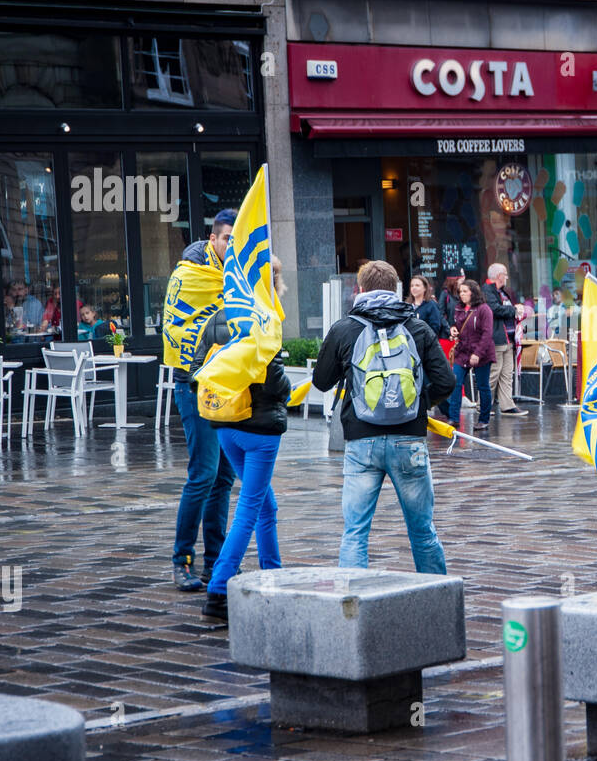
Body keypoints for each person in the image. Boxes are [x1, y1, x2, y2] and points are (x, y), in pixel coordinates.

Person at [312, 259, 455, 573]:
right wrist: (419, 404)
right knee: (422, 530)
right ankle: (437, 599)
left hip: (361, 443)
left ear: (360, 290)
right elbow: (446, 381)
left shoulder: (345, 329)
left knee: (355, 533)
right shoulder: (417, 327)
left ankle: (353, 609)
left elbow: (321, 381)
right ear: (398, 290)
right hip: (409, 441)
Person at [193, 260, 291, 622]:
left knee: (265, 506)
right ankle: (218, 589)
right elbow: (273, 379)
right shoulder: (263, 318)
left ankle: (274, 573)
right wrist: (287, 389)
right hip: (259, 429)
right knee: (249, 507)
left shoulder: (218, 315)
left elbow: (197, 369)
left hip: (224, 424)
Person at [166, 209, 237, 592]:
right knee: (204, 473)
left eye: (238, 241)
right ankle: (181, 560)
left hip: (228, 382)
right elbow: (185, 324)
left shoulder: (237, 277)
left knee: (224, 476)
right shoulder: (190, 274)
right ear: (213, 239)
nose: (232, 246)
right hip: (193, 383)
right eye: (228, 239)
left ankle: (216, 561)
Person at [446, 279, 494, 429]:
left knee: (483, 386)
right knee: (455, 382)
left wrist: (478, 353)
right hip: (463, 351)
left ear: (473, 292)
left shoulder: (484, 309)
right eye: (460, 292)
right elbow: (458, 326)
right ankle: (453, 417)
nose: (462, 294)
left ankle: (484, 420)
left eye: (465, 291)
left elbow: (487, 334)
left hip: (481, 352)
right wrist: (453, 329)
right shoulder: (459, 308)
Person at [483, 262, 527, 416]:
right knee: (494, 373)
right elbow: (494, 309)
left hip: (507, 338)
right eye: (505, 274)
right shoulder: (488, 290)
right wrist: (514, 309)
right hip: (497, 338)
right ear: (499, 276)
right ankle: (483, 405)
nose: (507, 277)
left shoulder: (501, 291)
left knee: (507, 373)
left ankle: (507, 404)